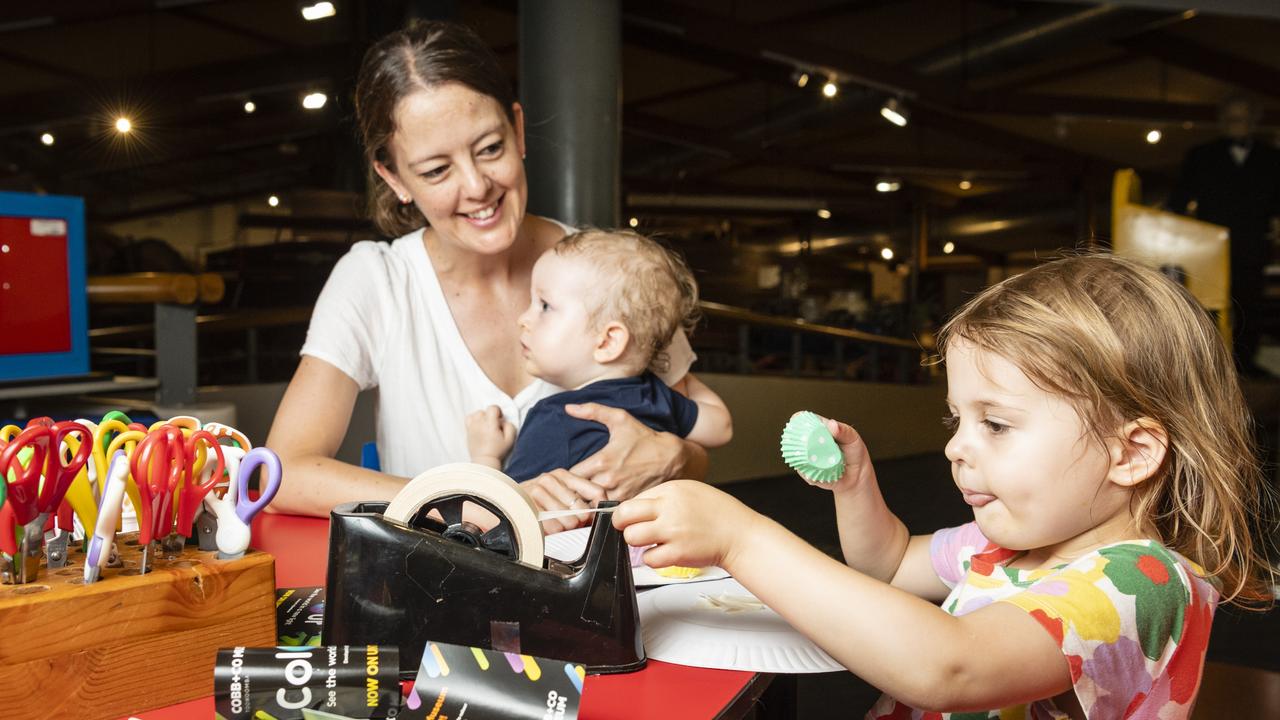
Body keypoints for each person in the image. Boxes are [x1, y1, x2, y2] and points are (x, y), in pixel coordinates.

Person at [614, 254, 1277, 718]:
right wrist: (856, 488)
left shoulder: (1140, 585)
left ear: (1130, 453)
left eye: (996, 423)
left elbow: (949, 667)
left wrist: (743, 539)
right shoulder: (1006, 544)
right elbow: (891, 563)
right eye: (959, 419)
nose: (957, 447)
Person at [266, 20, 721, 523]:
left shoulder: (611, 271)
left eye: (489, 149)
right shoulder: (377, 280)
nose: (477, 186)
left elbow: (690, 455)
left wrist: (677, 457)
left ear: (519, 130)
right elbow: (285, 470)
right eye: (437, 170)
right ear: (393, 176)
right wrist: (479, 501)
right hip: (441, 587)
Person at [466, 230, 732, 485]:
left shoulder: (555, 420)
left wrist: (486, 456)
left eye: (545, 306)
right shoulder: (656, 397)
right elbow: (721, 427)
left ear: (607, 341)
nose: (523, 319)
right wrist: (665, 366)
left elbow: (502, 514)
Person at [1168, 94, 1280, 378]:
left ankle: (1245, 364)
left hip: (1252, 244)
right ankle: (1209, 366)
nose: (1236, 124)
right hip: (1207, 247)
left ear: (1254, 121)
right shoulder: (1200, 155)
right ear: (1221, 121)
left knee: (1249, 305)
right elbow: (1179, 201)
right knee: (1207, 304)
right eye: (1230, 118)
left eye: (1242, 118)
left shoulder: (1272, 158)